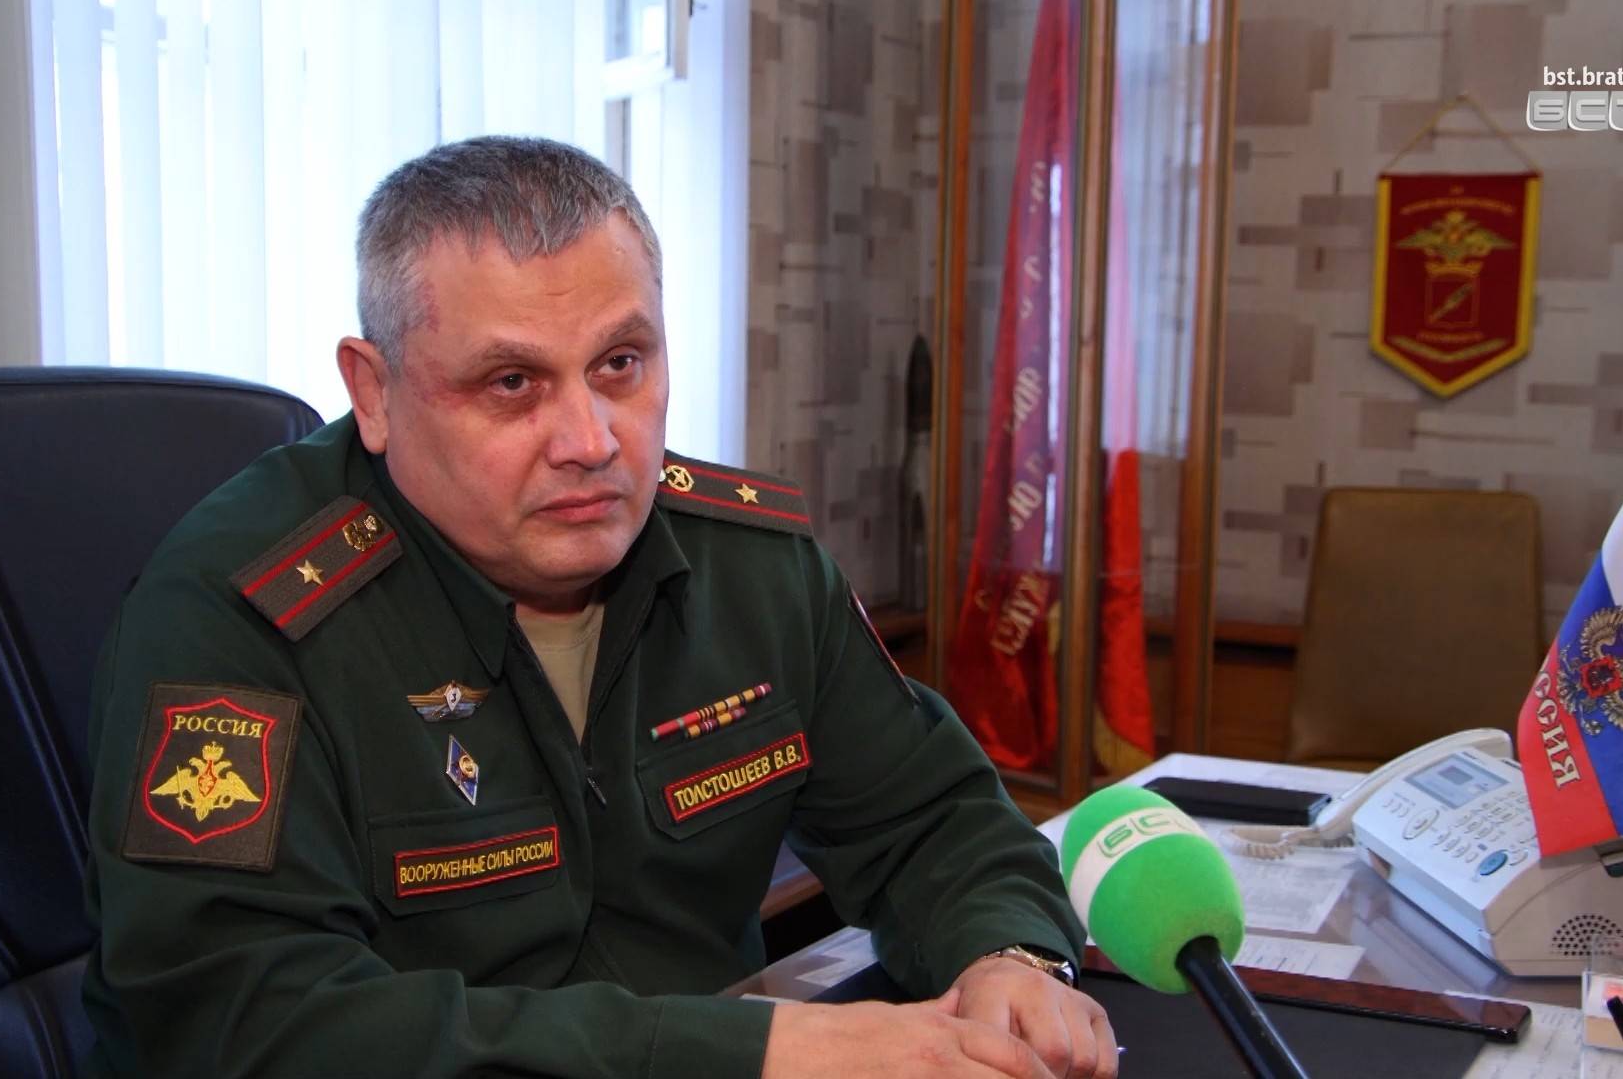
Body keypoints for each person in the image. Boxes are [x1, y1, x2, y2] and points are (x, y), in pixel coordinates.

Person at [82, 136, 1117, 1079]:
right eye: (511, 382)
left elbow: (931, 819)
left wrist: (1010, 958)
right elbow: (249, 1024)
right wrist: (749, 1053)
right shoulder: (237, 618)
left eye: (621, 365)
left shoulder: (751, 567)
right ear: (376, 392)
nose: (590, 440)